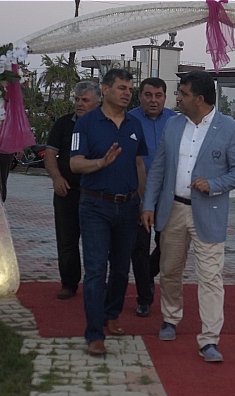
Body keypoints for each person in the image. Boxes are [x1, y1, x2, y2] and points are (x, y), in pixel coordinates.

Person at [141, 71, 235, 363]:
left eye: (183, 93)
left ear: (199, 99)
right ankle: (170, 318)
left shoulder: (229, 129)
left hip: (209, 213)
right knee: (169, 270)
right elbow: (158, 169)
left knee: (211, 277)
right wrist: (148, 205)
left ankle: (210, 339)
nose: (178, 98)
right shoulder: (173, 124)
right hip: (172, 210)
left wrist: (213, 185)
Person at [70, 69, 147, 356]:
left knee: (120, 269)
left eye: (130, 89)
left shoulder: (135, 124)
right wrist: (100, 163)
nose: (127, 93)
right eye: (121, 88)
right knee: (95, 270)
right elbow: (75, 164)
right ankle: (94, 334)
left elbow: (139, 165)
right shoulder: (86, 124)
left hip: (128, 206)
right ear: (105, 89)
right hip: (95, 206)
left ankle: (111, 314)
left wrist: (143, 203)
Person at [44, 80, 101, 300]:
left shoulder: (104, 125)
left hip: (95, 192)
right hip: (66, 191)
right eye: (77, 99)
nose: (79, 104)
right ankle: (69, 283)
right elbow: (50, 154)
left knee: (95, 242)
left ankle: (96, 283)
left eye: (85, 100)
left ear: (97, 102)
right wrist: (56, 178)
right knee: (67, 240)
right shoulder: (64, 124)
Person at [128, 77, 177, 317]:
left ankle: (147, 274)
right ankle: (144, 298)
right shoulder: (128, 121)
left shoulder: (176, 122)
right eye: (148, 95)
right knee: (139, 247)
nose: (153, 100)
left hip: (168, 196)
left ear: (165, 98)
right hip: (137, 195)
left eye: (158, 96)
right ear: (140, 97)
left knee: (167, 244)